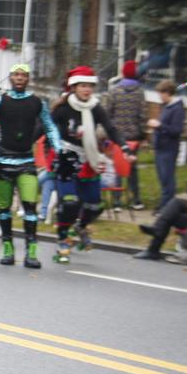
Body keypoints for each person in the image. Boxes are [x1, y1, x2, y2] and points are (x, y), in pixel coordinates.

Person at [0, 65, 60, 268]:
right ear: (10, 78)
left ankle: (31, 253)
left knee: (30, 207)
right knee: (4, 208)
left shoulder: (37, 102)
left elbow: (50, 126)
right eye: (16, 75)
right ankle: (8, 250)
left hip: (26, 162)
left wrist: (59, 149)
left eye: (23, 75)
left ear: (28, 78)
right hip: (3, 162)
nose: (19, 78)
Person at [51, 66, 134, 263]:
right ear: (74, 87)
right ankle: (63, 240)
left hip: (89, 158)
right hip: (66, 159)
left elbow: (111, 129)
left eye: (90, 86)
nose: (87, 90)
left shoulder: (96, 108)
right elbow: (45, 127)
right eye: (83, 86)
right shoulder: (63, 109)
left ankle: (80, 226)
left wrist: (124, 147)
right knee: (70, 202)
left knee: (95, 205)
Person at [106, 61, 146, 210]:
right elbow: (143, 116)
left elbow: (107, 113)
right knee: (132, 168)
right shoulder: (140, 92)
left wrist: (110, 132)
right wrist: (142, 135)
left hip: (117, 137)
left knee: (117, 167)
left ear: (123, 73)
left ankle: (117, 201)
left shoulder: (114, 91)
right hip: (134, 137)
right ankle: (135, 200)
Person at [148, 80, 184, 211]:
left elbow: (176, 130)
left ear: (167, 93)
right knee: (163, 179)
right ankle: (165, 204)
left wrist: (159, 125)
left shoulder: (177, 109)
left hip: (168, 149)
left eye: (160, 94)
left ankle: (166, 208)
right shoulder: (166, 106)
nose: (159, 97)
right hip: (160, 148)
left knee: (168, 179)